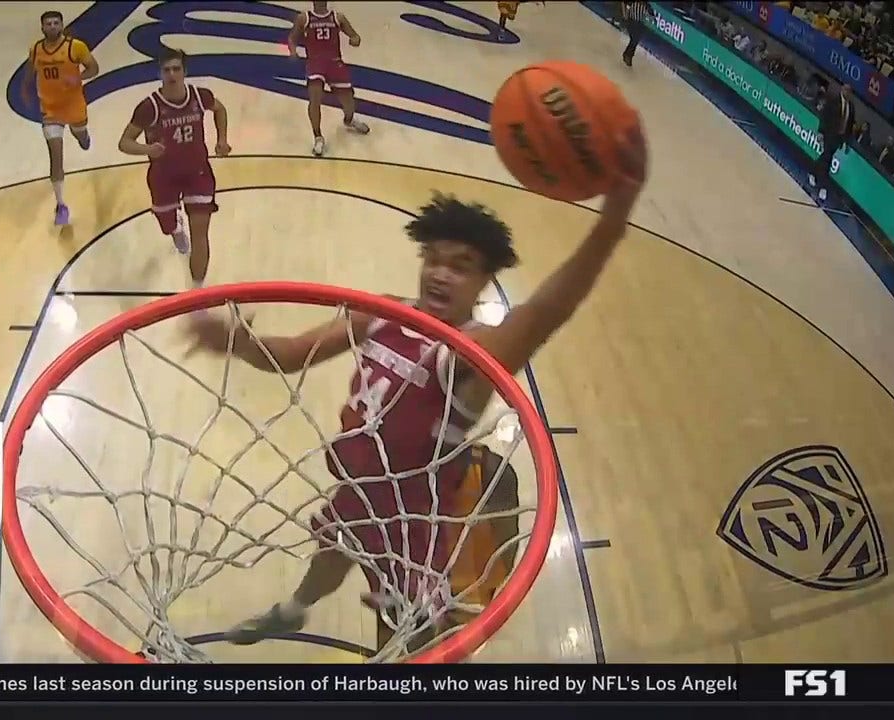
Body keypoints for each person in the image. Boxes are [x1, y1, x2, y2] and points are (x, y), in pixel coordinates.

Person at [188, 123, 649, 652]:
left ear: (483, 282)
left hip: (415, 528)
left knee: (411, 641)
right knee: (331, 555)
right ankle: (293, 611)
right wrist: (237, 342)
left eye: (461, 266)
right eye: (433, 258)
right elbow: (292, 354)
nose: (441, 274)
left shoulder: (467, 356)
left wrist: (612, 222)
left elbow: (545, 312)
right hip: (359, 492)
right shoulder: (383, 314)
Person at [117, 49, 231, 289]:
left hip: (197, 173)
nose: (171, 74)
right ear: (160, 73)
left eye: (176, 69)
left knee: (200, 234)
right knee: (167, 224)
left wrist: (222, 140)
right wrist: (147, 150)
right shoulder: (149, 107)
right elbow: (124, 142)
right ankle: (175, 229)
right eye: (166, 70)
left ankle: (197, 291)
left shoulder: (201, 96)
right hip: (163, 176)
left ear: (185, 72)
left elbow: (220, 109)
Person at [29, 10, 100, 227]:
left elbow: (94, 68)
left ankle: (83, 136)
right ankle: (61, 205)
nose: (52, 26)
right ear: (42, 27)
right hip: (50, 110)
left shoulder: (75, 47)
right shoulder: (35, 49)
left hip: (74, 105)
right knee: (56, 157)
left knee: (80, 134)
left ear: (62, 25)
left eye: (55, 23)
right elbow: (37, 73)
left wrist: (77, 77)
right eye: (48, 23)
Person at [287, 1, 369, 158]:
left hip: (334, 63)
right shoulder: (304, 18)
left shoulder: (338, 17)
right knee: (315, 98)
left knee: (348, 102)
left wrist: (355, 40)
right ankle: (318, 137)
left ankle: (349, 119)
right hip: (315, 63)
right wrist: (292, 51)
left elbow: (354, 36)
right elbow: (292, 38)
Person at [810, 83, 854, 204]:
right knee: (827, 160)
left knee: (825, 157)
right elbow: (824, 117)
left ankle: (813, 171)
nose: (847, 92)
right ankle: (823, 187)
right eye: (845, 89)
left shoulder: (851, 107)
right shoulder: (833, 101)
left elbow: (849, 126)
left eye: (849, 90)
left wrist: (846, 142)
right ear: (842, 89)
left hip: (839, 139)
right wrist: (820, 132)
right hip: (829, 135)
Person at [620, 1, 654, 67]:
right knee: (634, 40)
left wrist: (647, 19)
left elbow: (652, 17)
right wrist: (625, 15)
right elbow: (624, 3)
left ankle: (628, 55)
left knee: (635, 40)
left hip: (639, 24)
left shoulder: (647, 5)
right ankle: (628, 55)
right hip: (631, 21)